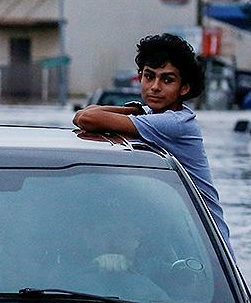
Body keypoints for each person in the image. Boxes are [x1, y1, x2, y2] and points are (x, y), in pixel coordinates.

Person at [72, 33, 231, 249]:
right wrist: (138, 110)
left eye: (167, 80)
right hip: (181, 232)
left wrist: (136, 112)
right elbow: (86, 113)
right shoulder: (154, 115)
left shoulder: (176, 123)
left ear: (184, 88)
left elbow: (86, 118)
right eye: (149, 77)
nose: (155, 87)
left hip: (207, 241)